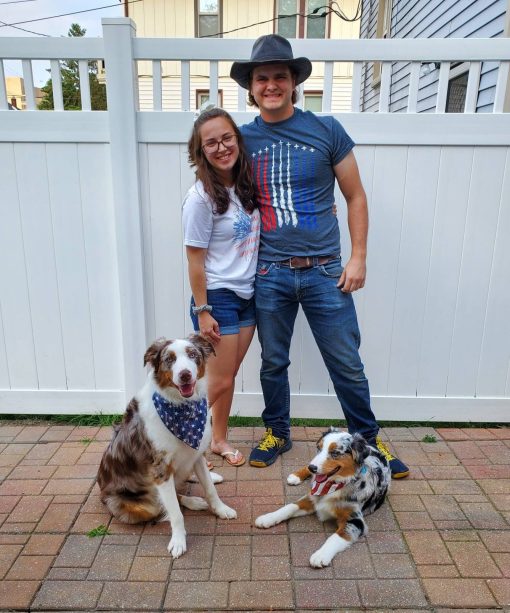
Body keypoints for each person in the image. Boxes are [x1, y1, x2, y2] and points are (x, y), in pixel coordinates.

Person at [230, 34, 409, 478]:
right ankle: (277, 432)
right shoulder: (242, 140)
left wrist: (359, 257)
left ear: (293, 83)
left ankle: (367, 439)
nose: (271, 85)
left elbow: (355, 195)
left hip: (327, 271)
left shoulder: (326, 130)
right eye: (262, 78)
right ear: (251, 88)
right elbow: (223, 196)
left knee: (346, 361)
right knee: (274, 360)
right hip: (269, 271)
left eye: (279, 77)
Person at [183, 107, 260, 467]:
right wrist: (203, 311)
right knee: (219, 381)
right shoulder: (200, 198)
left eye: (226, 138)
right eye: (210, 143)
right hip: (218, 299)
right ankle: (174, 441)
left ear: (237, 140)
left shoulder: (245, 185)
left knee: (226, 379)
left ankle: (217, 439)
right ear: (201, 152)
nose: (221, 147)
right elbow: (194, 259)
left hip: (248, 296)